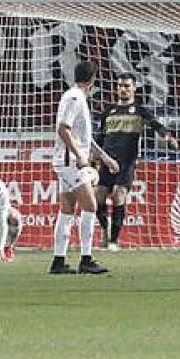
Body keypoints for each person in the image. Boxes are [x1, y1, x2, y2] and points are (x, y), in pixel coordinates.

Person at [49, 60, 119, 275]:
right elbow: (63, 128)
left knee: (67, 209)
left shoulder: (76, 97)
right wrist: (79, 155)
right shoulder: (74, 98)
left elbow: (84, 139)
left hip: (68, 161)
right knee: (90, 206)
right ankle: (86, 260)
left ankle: (58, 261)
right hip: (70, 162)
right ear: (92, 80)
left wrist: (105, 158)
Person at [94, 72, 177, 251]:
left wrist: (168, 137)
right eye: (120, 86)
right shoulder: (108, 111)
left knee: (118, 195)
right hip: (107, 160)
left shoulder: (140, 111)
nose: (123, 89)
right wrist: (94, 155)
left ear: (134, 88)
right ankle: (106, 229)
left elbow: (157, 125)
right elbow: (100, 137)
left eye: (127, 86)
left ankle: (113, 242)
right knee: (98, 196)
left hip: (126, 162)